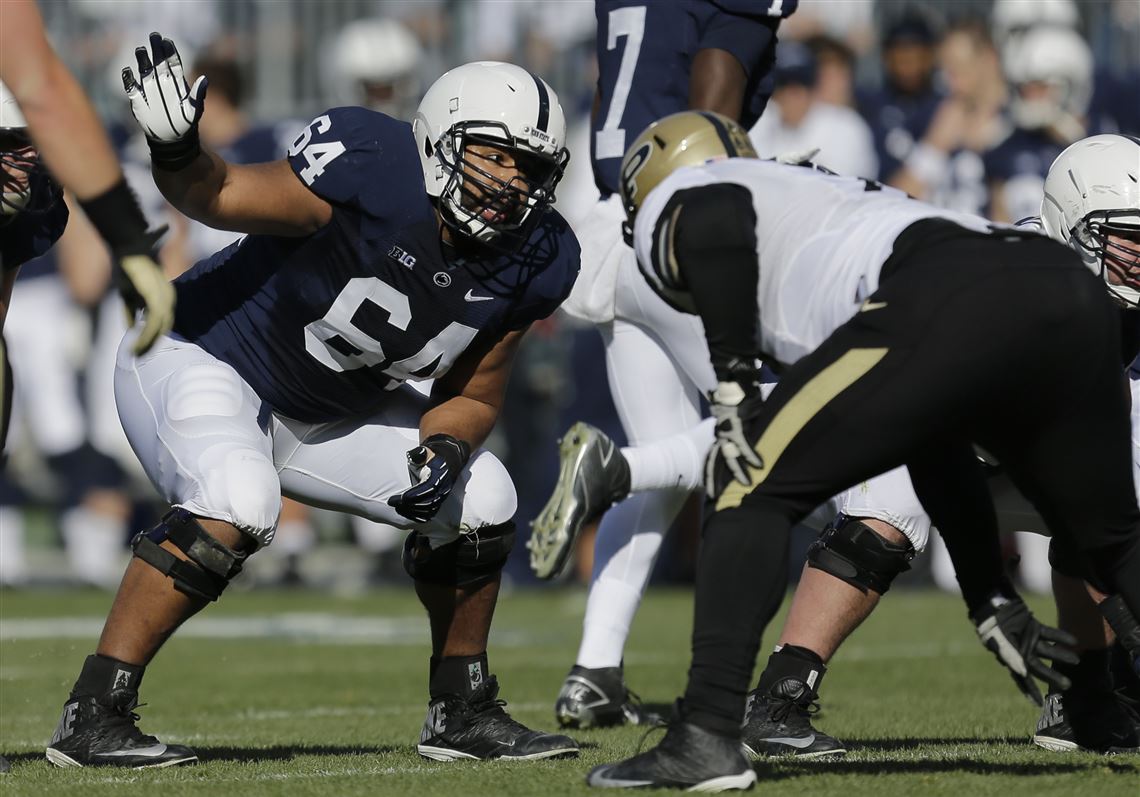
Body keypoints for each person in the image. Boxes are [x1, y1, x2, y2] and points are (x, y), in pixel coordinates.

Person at [44, 34, 580, 768]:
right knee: (238, 497)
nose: (511, 181)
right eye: (495, 154)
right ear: (440, 138)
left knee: (484, 494)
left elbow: (474, 392)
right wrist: (176, 150)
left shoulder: (540, 257)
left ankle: (461, 710)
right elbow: (218, 193)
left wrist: (448, 445)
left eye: (531, 167)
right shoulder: (374, 165)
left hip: (329, 410)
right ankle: (94, 711)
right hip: (205, 352)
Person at [587, 111, 1140, 791]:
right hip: (1039, 293)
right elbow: (937, 433)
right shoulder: (821, 197)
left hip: (940, 294)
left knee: (745, 483)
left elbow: (714, 218)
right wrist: (987, 593)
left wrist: (731, 383)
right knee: (1116, 538)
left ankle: (705, 736)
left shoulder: (695, 193)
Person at [524, 0, 797, 729]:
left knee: (670, 465)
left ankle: (594, 671)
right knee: (777, 432)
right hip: (682, 223)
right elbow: (709, 110)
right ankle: (755, 694)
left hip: (616, 227)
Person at [0, 0, 173, 358]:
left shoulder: (34, 191)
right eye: (10, 142)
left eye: (29, 141)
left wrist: (129, 241)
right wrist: (128, 240)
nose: (23, 158)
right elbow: (43, 90)